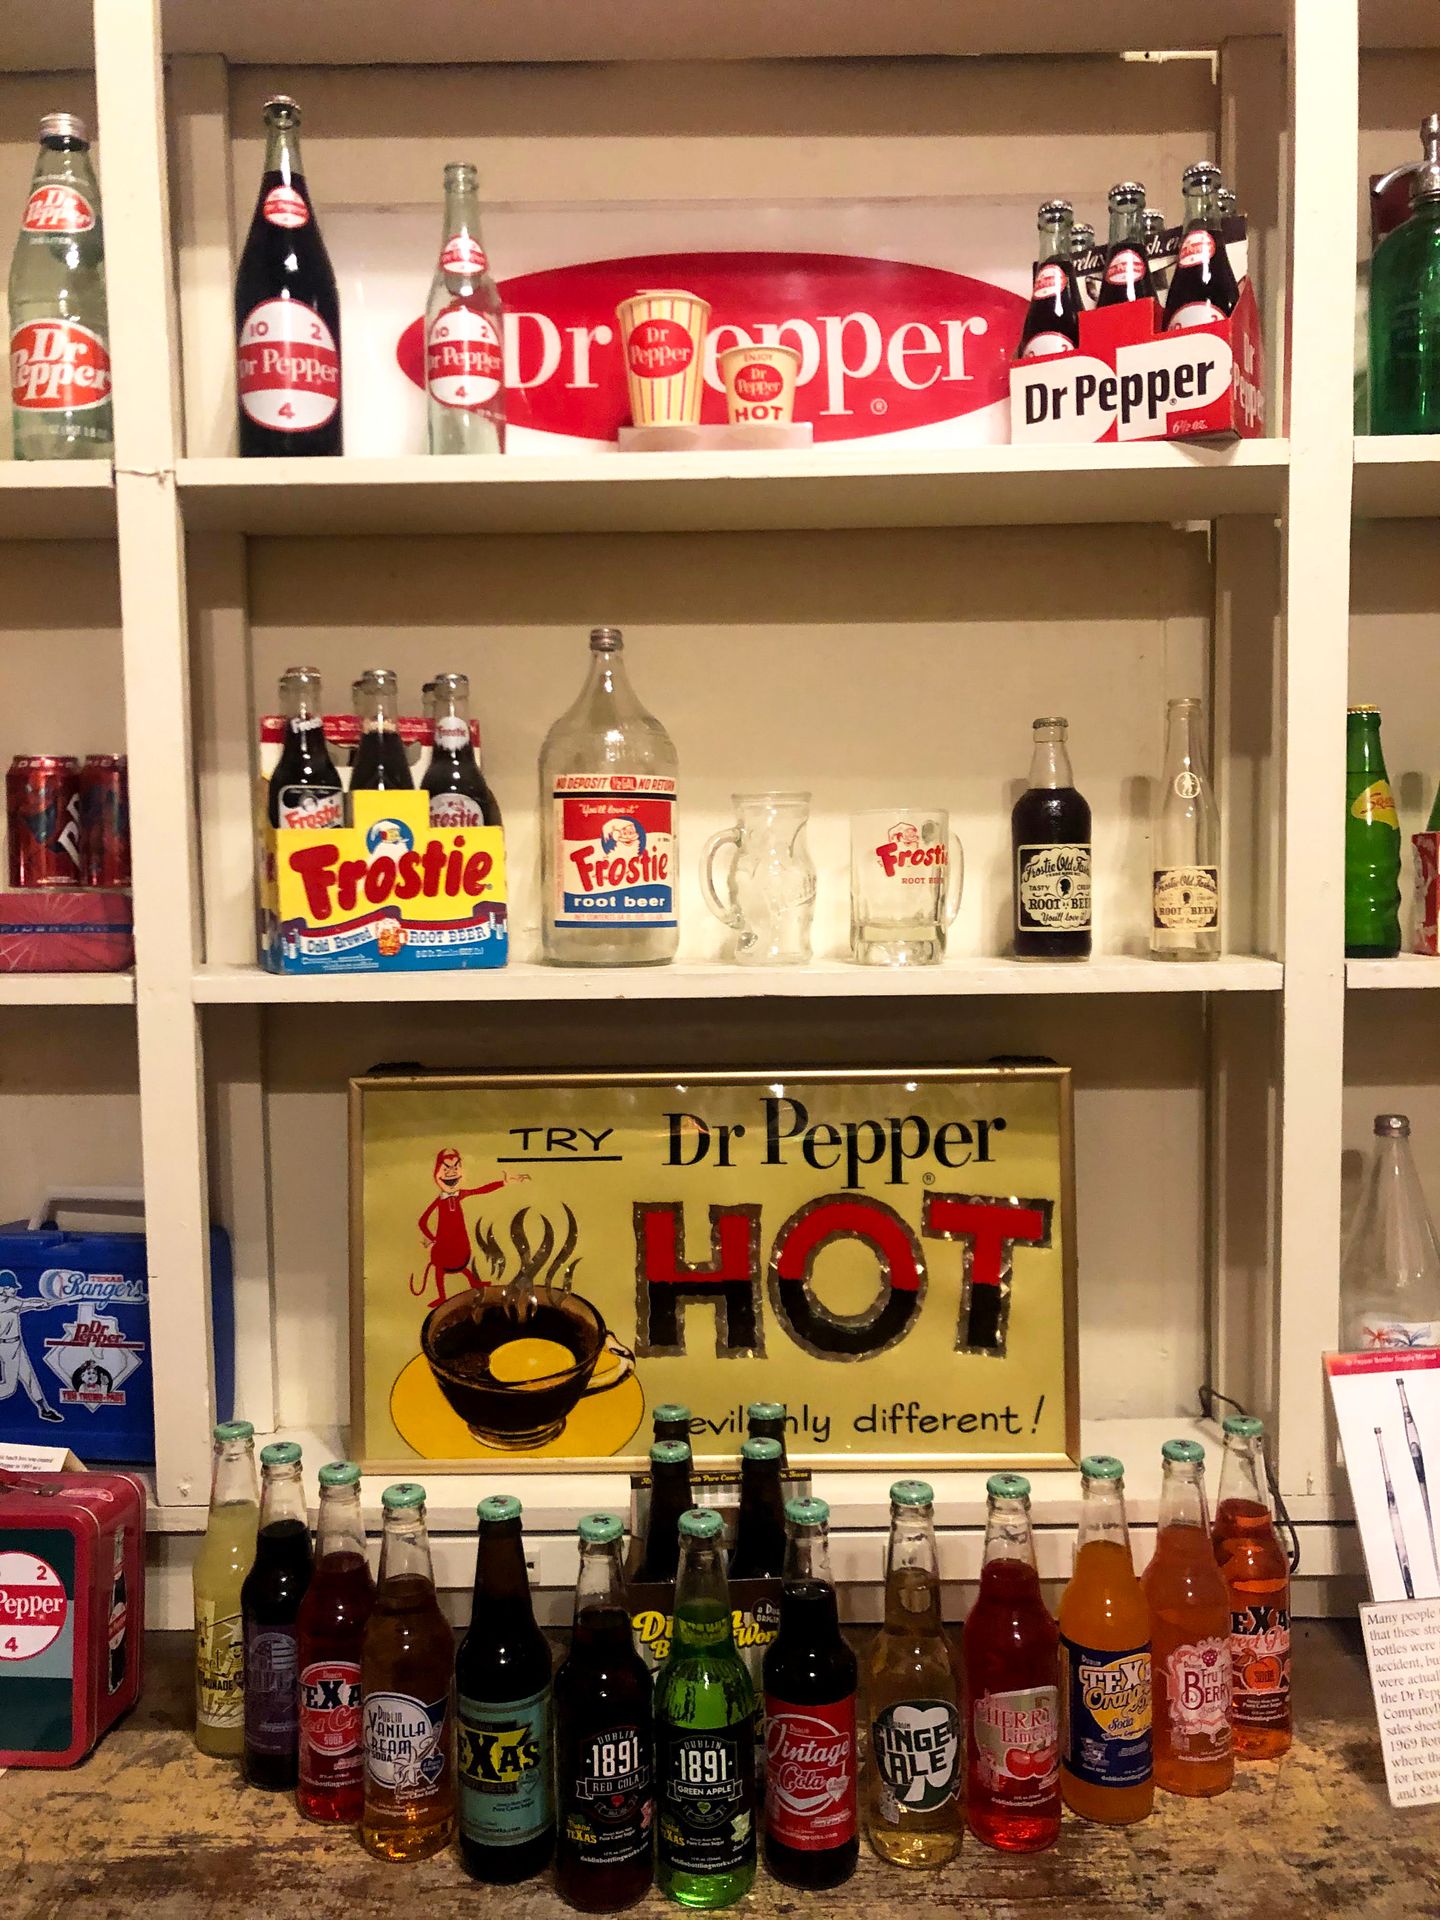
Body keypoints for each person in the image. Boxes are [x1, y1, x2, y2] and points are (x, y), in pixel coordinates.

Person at [414, 1148, 528, 1302]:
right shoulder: (440, 1200)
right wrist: (433, 1240)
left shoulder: (460, 1194)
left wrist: (504, 1182)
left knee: (462, 1265)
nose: (451, 1173)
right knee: (441, 1269)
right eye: (446, 1168)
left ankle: (474, 1283)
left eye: (456, 1167)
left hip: (460, 1242)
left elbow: (481, 1190)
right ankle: (442, 1297)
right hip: (443, 1245)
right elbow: (422, 1221)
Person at [0, 1275, 63, 1421]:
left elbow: (25, 1304)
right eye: (11, 1287)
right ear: (2, 1288)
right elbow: (27, 1303)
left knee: (29, 1377)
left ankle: (44, 1409)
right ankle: (44, 1409)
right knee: (9, 1388)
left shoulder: (12, 1303)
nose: (14, 1290)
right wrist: (41, 1304)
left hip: (15, 1344)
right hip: (5, 1346)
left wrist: (41, 1304)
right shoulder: (6, 1303)